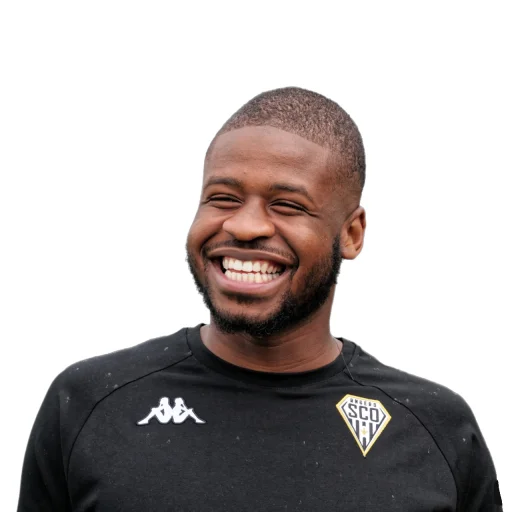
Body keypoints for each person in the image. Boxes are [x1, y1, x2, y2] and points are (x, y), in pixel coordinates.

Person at [17, 86, 502, 511]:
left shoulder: (435, 427)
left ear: (352, 234)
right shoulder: (88, 402)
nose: (245, 226)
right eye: (223, 198)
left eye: (287, 205)